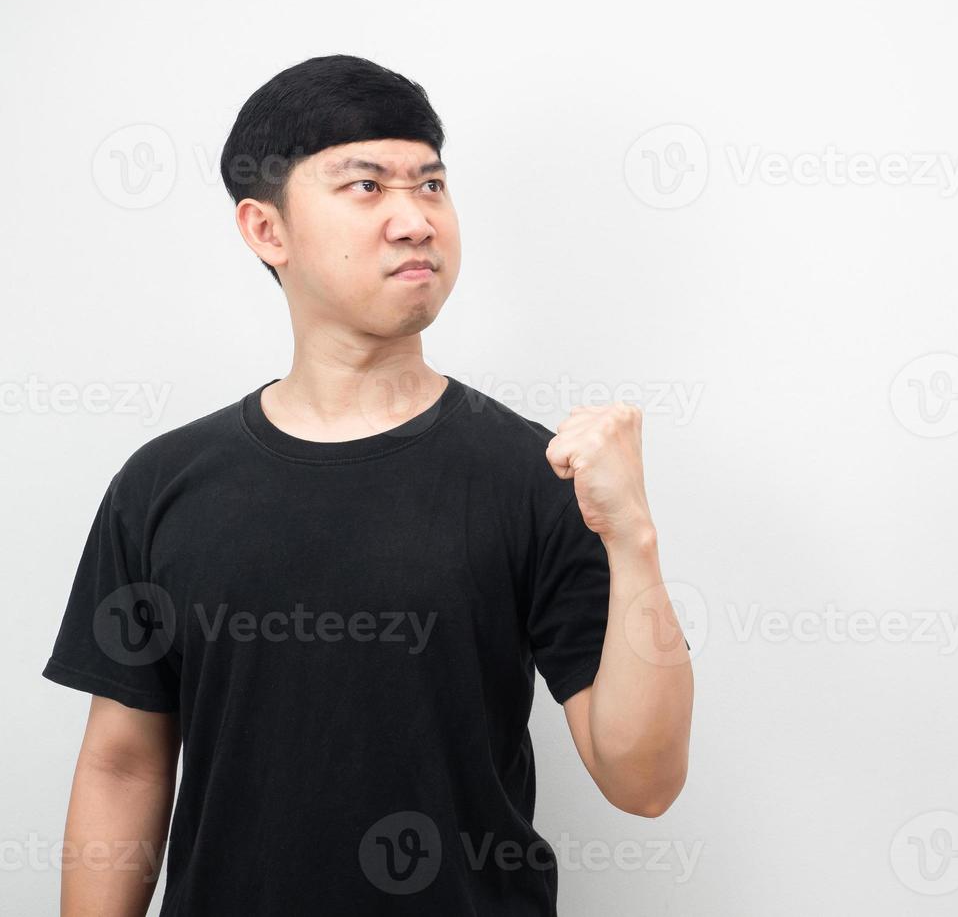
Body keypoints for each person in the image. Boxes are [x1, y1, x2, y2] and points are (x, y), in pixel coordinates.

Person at [41, 53, 694, 916]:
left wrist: (634, 539)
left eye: (430, 185)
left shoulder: (533, 475)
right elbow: (122, 761)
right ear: (265, 230)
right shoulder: (161, 486)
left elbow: (641, 780)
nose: (414, 219)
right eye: (366, 186)